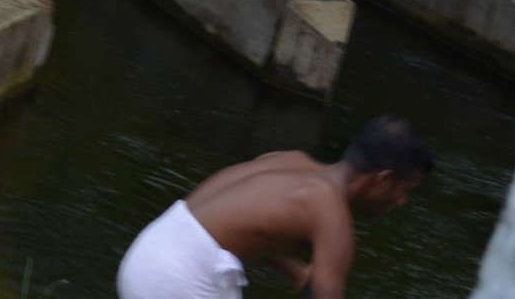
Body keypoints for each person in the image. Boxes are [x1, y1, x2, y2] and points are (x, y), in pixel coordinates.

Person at [117, 116, 434, 299]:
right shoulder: (333, 217)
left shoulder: (290, 161)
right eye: (405, 191)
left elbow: (247, 225)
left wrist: (296, 271)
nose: (402, 202)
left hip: (148, 251)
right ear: (383, 179)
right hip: (178, 280)